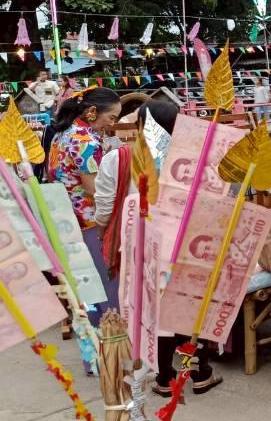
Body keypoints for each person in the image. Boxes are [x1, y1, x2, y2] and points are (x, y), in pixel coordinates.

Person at [94, 99, 223, 396]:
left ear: (141, 125)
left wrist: (106, 234)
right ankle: (199, 373)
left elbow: (103, 209)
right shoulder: (192, 160)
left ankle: (165, 378)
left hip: (144, 245)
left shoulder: (118, 158)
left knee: (155, 313)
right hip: (187, 244)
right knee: (188, 309)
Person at [47, 87, 121, 353]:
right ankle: (114, 354)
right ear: (92, 112)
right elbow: (94, 188)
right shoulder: (85, 140)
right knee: (107, 289)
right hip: (91, 224)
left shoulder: (62, 135)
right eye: (111, 117)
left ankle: (93, 355)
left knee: (84, 291)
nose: (112, 124)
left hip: (66, 222)